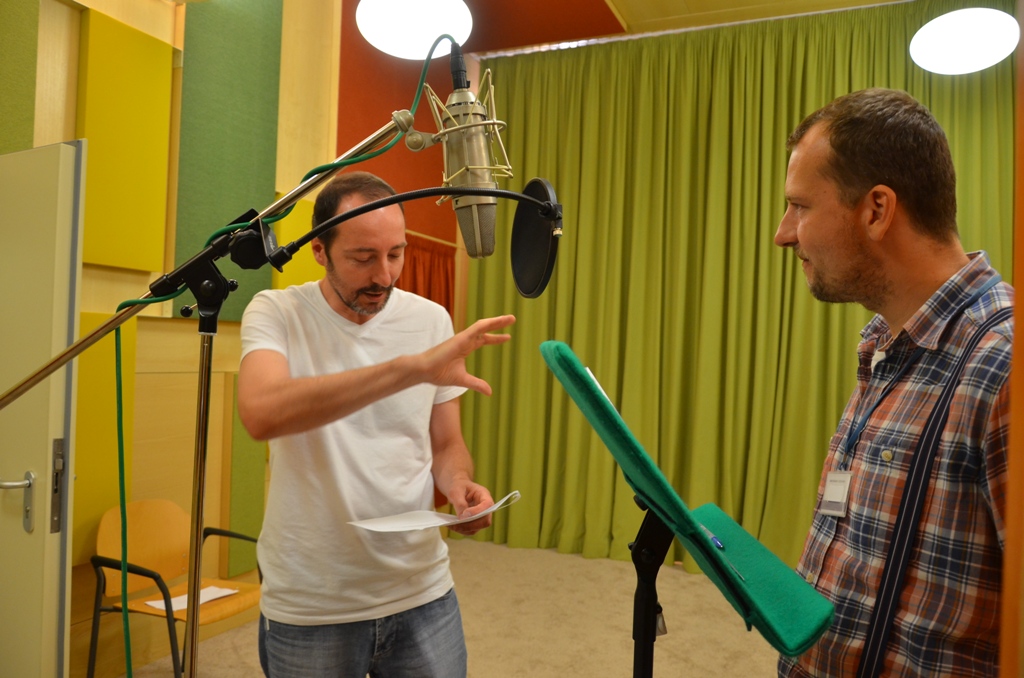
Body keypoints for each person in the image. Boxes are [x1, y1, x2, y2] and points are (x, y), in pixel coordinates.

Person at [774, 88, 1013, 677]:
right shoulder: (883, 343)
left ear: (877, 210)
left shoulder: (1005, 364)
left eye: (800, 207)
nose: (784, 233)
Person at [237, 170, 515, 677]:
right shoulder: (277, 311)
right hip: (313, 601)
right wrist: (410, 369)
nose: (384, 276)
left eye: (396, 254)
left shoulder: (430, 320)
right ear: (319, 251)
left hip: (422, 589)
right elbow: (261, 412)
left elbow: (446, 443)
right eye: (363, 258)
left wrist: (458, 485)